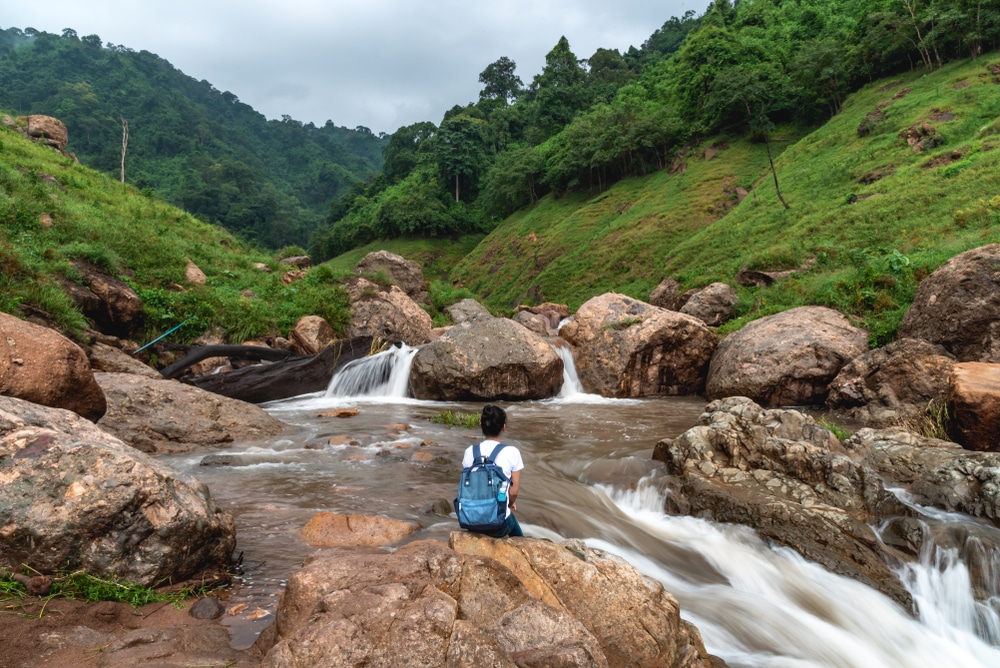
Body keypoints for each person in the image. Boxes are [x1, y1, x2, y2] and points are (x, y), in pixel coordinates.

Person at [462, 404, 524, 537]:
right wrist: (509, 504)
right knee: (516, 532)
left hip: (470, 519)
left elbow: (471, 487)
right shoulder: (512, 452)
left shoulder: (469, 452)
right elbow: (513, 492)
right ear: (504, 427)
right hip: (498, 525)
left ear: (480, 425)